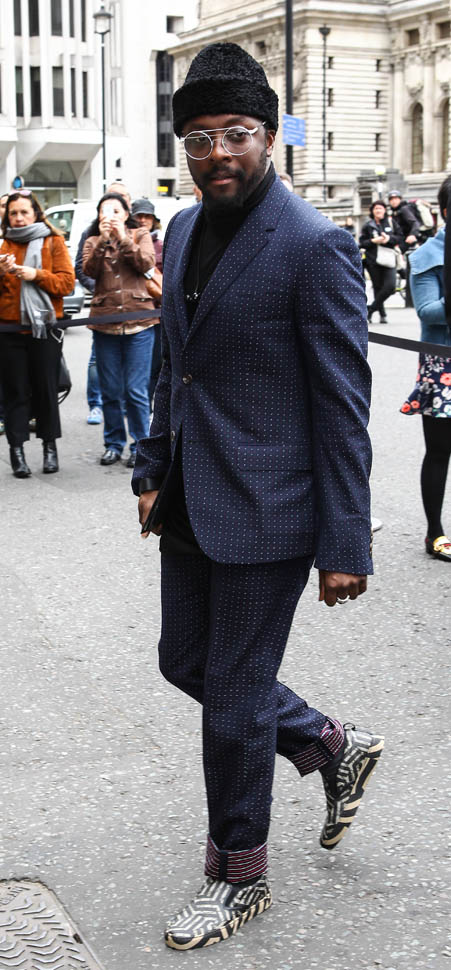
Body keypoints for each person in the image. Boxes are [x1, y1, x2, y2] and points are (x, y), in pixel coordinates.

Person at [133, 42, 383, 951]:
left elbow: (342, 409)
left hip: (272, 510)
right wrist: (151, 466)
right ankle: (327, 743)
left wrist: (344, 545)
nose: (218, 154)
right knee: (184, 662)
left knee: (234, 698)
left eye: (235, 133)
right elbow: (174, 361)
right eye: (199, 139)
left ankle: (238, 876)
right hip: (192, 497)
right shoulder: (179, 230)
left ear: (270, 136)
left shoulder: (315, 244)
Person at [0, 190, 74, 477]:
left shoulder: (52, 240)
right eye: (13, 213)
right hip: (9, 331)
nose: (18, 218)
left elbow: (66, 284)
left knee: (46, 389)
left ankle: (49, 448)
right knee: (15, 391)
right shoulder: (3, 243)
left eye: (24, 212)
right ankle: (16, 451)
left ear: (36, 214)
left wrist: (36, 275)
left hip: (44, 328)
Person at [83, 191, 155, 467]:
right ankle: (113, 444)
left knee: (136, 390)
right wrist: (103, 241)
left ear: (126, 215)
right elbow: (89, 271)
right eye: (104, 211)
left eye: (115, 211)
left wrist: (124, 238)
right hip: (105, 323)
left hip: (140, 324)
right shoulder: (92, 241)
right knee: (110, 390)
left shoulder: (140, 235)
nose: (109, 216)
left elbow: (146, 264)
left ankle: (140, 445)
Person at [400, 174, 451, 562]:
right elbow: (427, 311)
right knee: (440, 451)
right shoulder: (427, 255)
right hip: (442, 364)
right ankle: (435, 532)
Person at [75, 182, 132, 426]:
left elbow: (146, 265)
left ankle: (131, 419)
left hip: (133, 313)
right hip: (104, 314)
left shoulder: (136, 234)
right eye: (108, 204)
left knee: (133, 373)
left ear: (127, 208)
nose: (112, 212)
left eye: (120, 201)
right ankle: (95, 405)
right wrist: (99, 289)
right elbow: (82, 268)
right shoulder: (91, 235)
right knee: (96, 362)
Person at [131, 199, 163, 414]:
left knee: (156, 365)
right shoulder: (125, 242)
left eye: (147, 216)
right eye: (139, 216)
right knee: (136, 369)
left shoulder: (162, 245)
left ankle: (149, 409)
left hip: (159, 313)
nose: (143, 220)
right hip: (134, 313)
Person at [359, 200, 402, 323]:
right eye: (376, 208)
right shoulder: (368, 225)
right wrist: (373, 241)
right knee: (377, 287)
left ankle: (371, 310)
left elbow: (400, 237)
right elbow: (362, 243)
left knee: (390, 286)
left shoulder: (391, 222)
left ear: (384, 210)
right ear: (372, 211)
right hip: (373, 260)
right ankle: (382, 315)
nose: (378, 210)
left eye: (380, 208)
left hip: (389, 259)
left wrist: (388, 239)